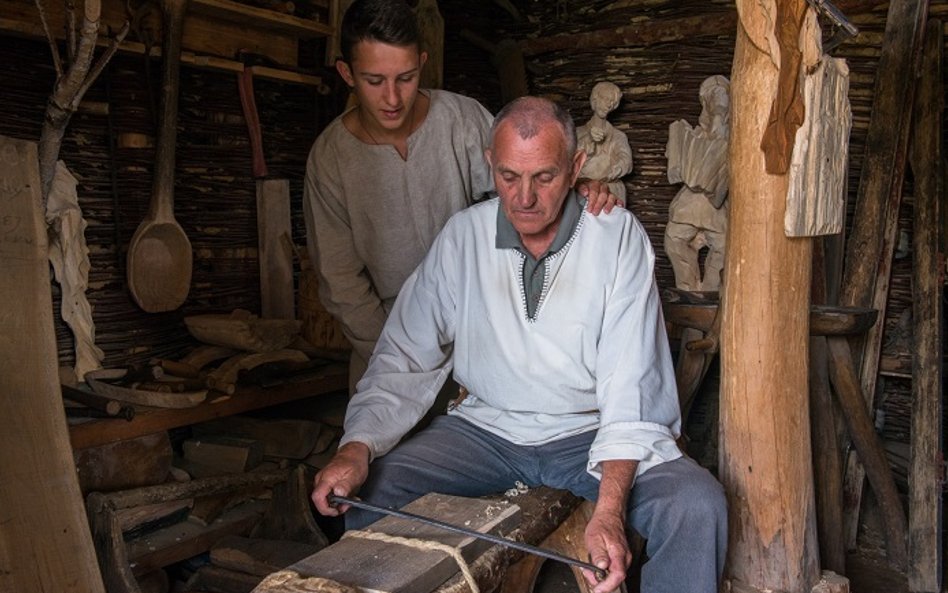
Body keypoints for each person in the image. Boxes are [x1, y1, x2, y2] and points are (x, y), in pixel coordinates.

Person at [311, 96, 727, 593]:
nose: (524, 197)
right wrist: (357, 446)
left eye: (544, 177)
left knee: (696, 505)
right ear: (490, 164)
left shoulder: (614, 237)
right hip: (484, 433)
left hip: (589, 436)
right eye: (509, 176)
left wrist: (610, 512)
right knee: (375, 487)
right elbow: (405, 355)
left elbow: (630, 380)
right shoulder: (462, 237)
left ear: (576, 169)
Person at [303, 0, 621, 392]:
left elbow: (527, 185)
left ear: (422, 62)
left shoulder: (463, 120)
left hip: (484, 330)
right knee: (383, 447)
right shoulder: (330, 159)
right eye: (374, 80)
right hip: (384, 344)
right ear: (346, 73)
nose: (392, 98)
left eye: (405, 77)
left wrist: (577, 187)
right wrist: (397, 354)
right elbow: (340, 282)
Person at [663, 75, 730, 292]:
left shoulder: (734, 135)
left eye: (722, 99)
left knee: (724, 246)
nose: (718, 105)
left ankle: (709, 295)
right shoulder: (694, 134)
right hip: (690, 202)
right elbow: (678, 159)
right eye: (713, 99)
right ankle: (688, 292)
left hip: (716, 205)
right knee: (673, 239)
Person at [576, 81, 634, 204]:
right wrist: (589, 141)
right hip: (582, 190)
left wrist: (607, 174)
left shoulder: (618, 136)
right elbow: (567, 161)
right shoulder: (577, 133)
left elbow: (626, 162)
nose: (609, 104)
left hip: (611, 190)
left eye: (612, 102)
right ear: (595, 99)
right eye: (605, 99)